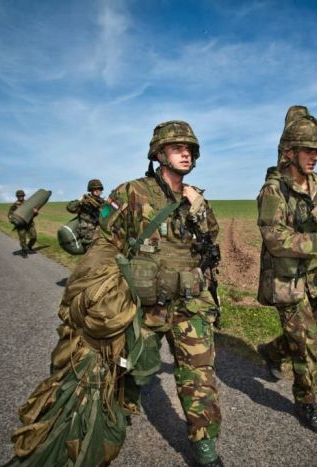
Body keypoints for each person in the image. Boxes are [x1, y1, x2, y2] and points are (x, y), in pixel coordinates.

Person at [99, 120, 223, 466]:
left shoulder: (196, 198)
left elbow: (210, 240)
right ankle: (119, 411)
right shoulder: (132, 192)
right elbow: (105, 240)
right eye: (177, 148)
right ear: (158, 154)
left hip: (190, 302)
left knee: (199, 375)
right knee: (135, 367)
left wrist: (198, 208)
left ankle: (204, 443)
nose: (186, 154)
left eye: (190, 149)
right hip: (146, 303)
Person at [256, 106, 317, 435]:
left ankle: (271, 351)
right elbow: (274, 239)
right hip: (288, 278)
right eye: (309, 150)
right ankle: (305, 401)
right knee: (305, 340)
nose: (315, 157)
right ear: (289, 152)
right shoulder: (272, 191)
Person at [66, 178, 106, 251]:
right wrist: (79, 200)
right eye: (94, 189)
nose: (97, 190)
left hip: (101, 235)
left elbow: (107, 216)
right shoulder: (85, 202)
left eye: (99, 189)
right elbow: (70, 208)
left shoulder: (103, 203)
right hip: (88, 237)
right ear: (91, 190)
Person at [8, 190, 38, 258]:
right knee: (22, 239)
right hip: (20, 225)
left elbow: (32, 214)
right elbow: (10, 215)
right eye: (19, 196)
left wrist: (35, 212)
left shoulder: (28, 203)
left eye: (22, 195)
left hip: (29, 223)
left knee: (34, 237)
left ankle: (29, 247)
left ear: (24, 196)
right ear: (17, 196)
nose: (21, 197)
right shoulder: (14, 205)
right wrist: (13, 221)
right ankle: (24, 251)